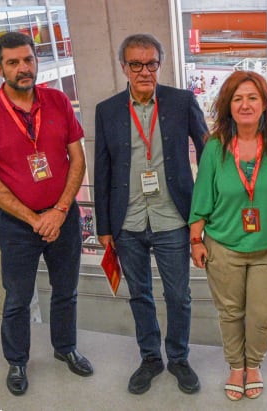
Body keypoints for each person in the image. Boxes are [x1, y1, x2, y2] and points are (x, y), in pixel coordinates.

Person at [0, 31, 93, 396]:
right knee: (18, 297)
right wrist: (34, 218)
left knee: (66, 290)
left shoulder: (57, 100)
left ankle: (65, 348)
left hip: (63, 217)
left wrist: (59, 210)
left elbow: (78, 159)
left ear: (36, 61)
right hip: (17, 225)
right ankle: (18, 361)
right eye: (13, 62)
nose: (23, 68)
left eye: (28, 60)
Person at [94, 33, 208, 395]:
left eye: (151, 63)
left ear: (160, 64)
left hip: (172, 217)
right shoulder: (107, 109)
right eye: (136, 64)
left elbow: (207, 152)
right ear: (123, 67)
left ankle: (178, 357)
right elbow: (102, 168)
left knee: (179, 295)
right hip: (127, 222)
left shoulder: (181, 101)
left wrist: (205, 211)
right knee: (139, 294)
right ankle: (149, 358)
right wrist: (104, 226)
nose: (145, 71)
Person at [188, 71, 267, 400]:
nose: (245, 105)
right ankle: (236, 365)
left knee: (262, 315)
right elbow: (202, 196)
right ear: (227, 105)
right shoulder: (215, 146)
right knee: (230, 312)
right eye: (237, 98)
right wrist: (195, 239)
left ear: (265, 104)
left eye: (252, 98)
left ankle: (254, 364)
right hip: (223, 245)